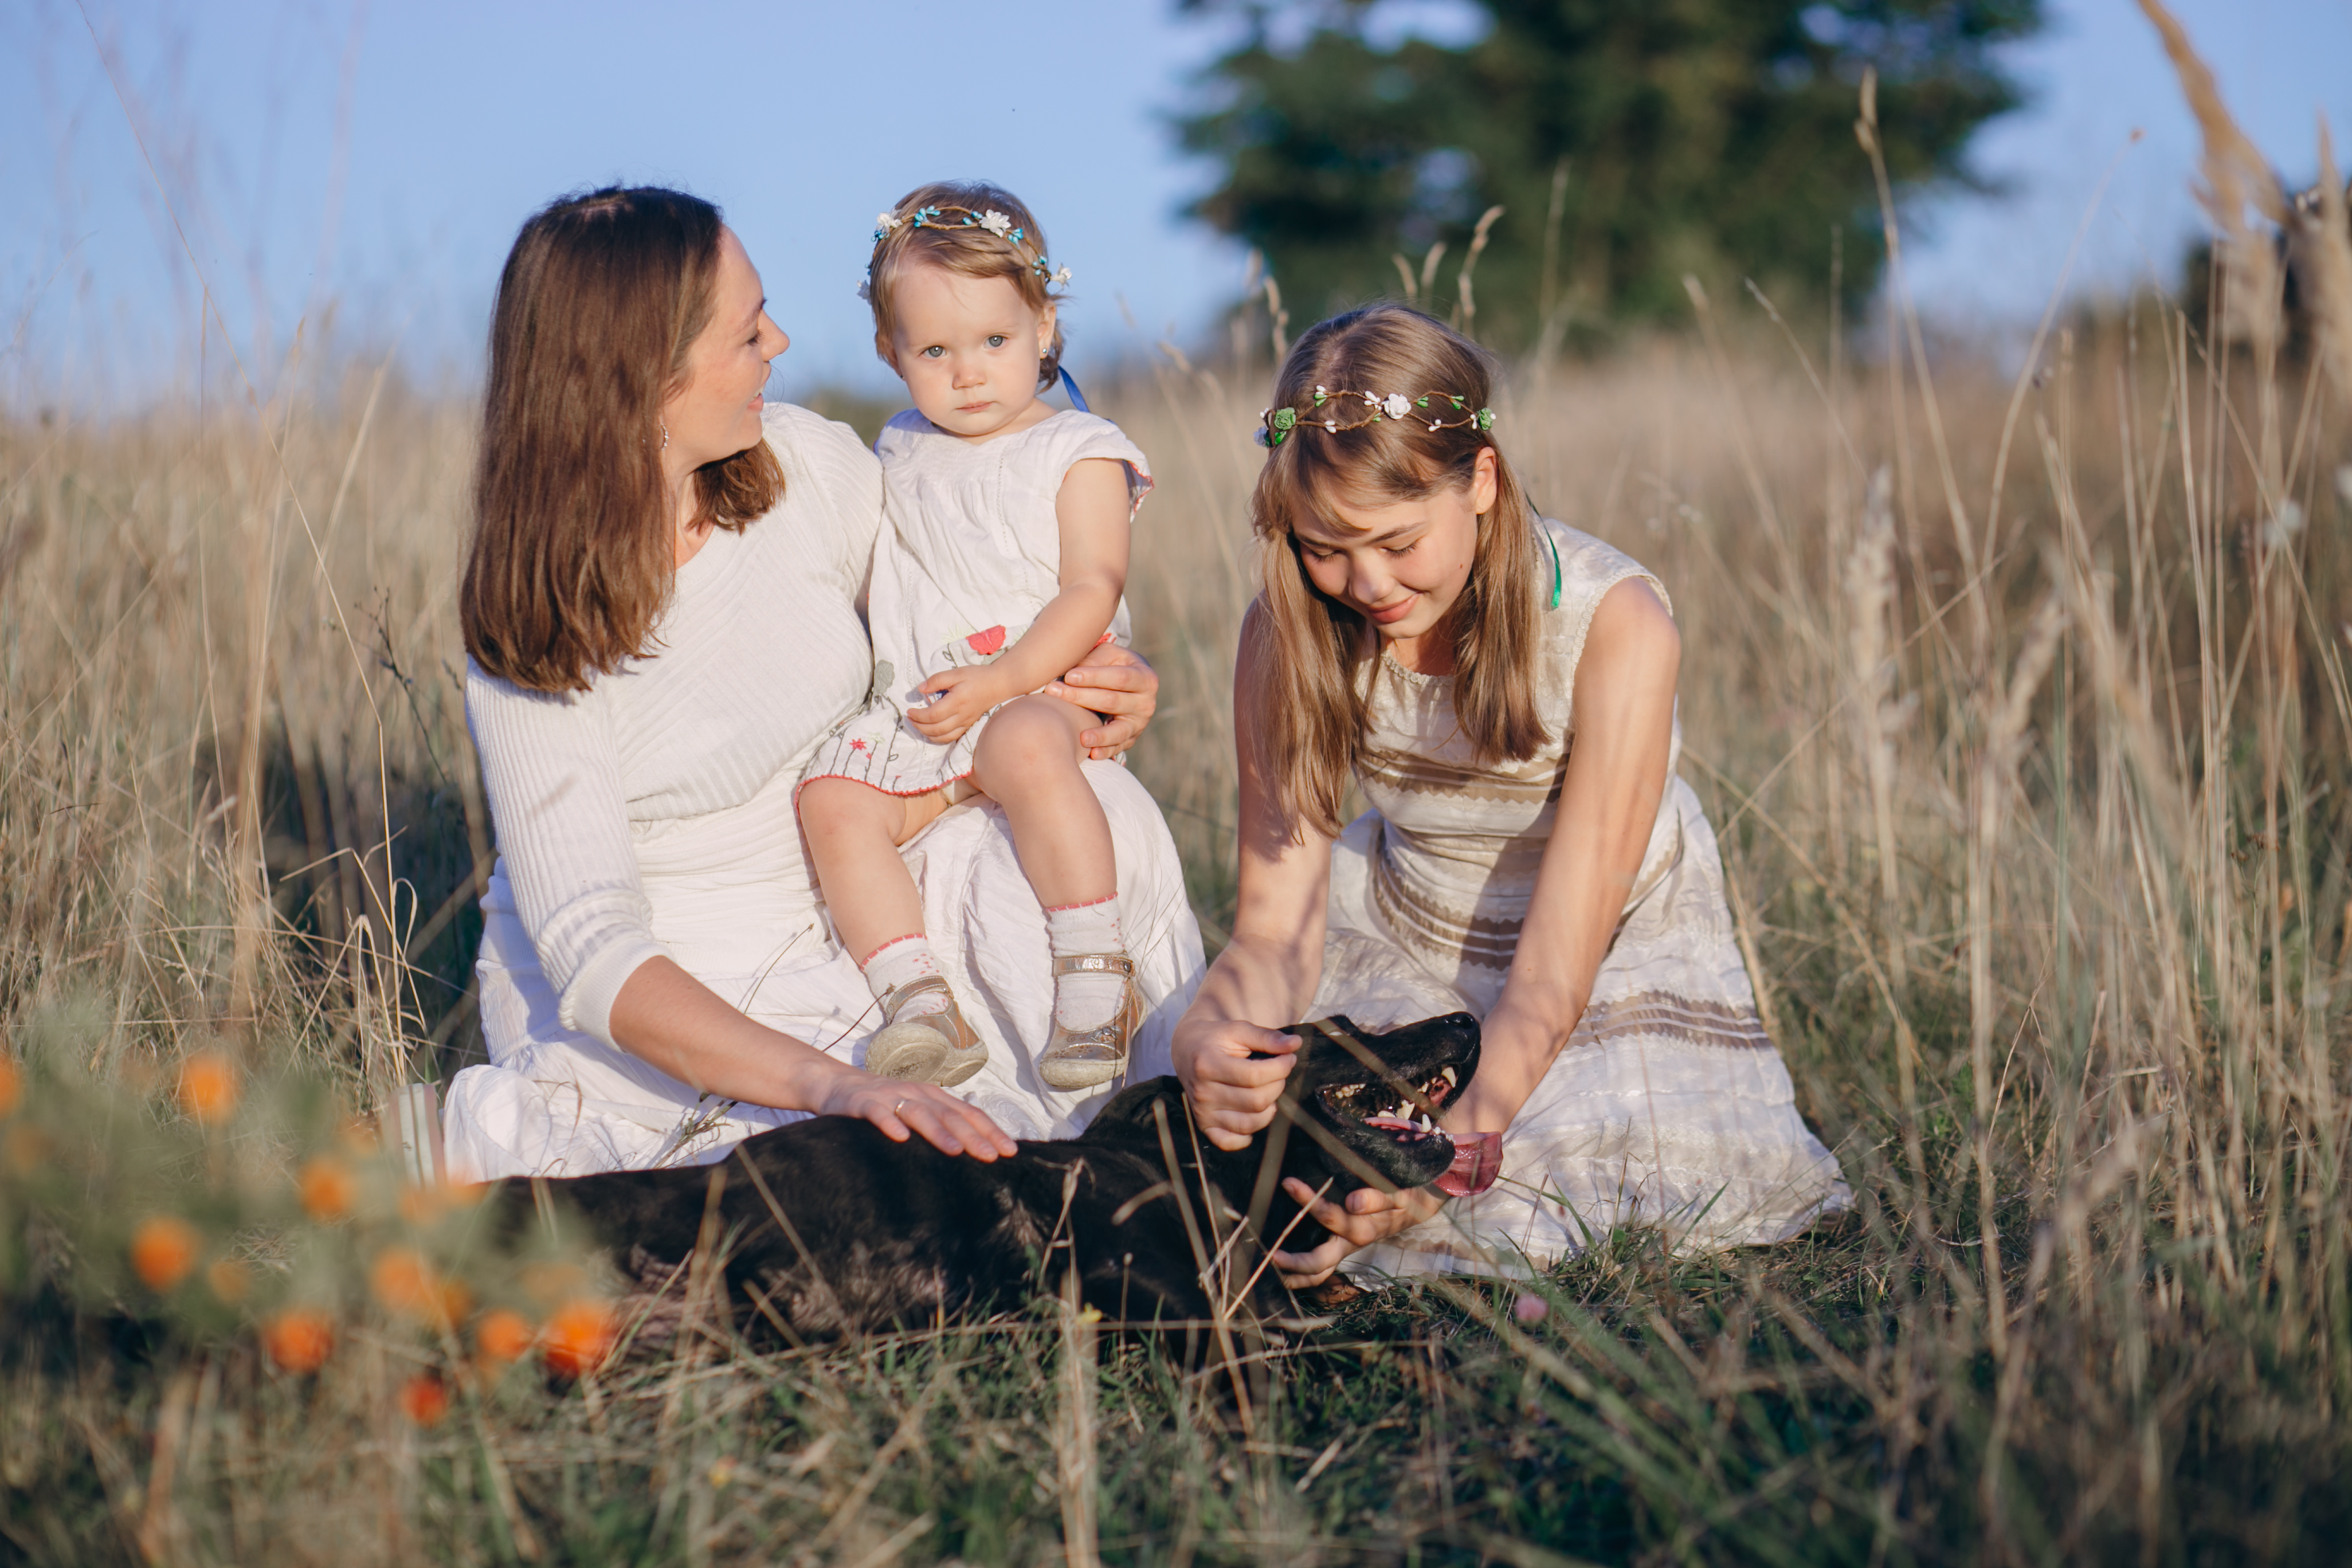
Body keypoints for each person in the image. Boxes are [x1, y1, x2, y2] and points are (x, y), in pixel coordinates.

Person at [439, 187, 1204, 1182]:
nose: (784, 340)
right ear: (647, 373)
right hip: (670, 991)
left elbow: (962, 611)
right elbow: (593, 954)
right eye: (748, 330)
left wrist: (1094, 679)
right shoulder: (535, 620)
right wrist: (832, 1085)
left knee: (1102, 816)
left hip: (858, 909)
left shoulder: (806, 467)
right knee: (866, 1172)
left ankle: (1186, 1114)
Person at [1167, 304, 1848, 1285]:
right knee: (1250, 1144)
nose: (1365, 584)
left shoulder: (1615, 623)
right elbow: (1276, 931)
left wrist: (1444, 1156)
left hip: (1593, 945)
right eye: (1324, 547)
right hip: (1406, 916)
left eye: (1399, 543)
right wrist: (1209, 1035)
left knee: (1550, 1184)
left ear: (1479, 480)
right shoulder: (1289, 630)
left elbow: (1553, 976)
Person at [797, 182, 1153, 1094]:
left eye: (996, 341)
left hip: (1039, 688)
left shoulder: (1080, 450)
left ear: (1045, 324)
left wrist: (1005, 680)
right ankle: (917, 996)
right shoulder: (897, 449)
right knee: (834, 799)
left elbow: (1091, 587)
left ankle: (1094, 971)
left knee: (1025, 743)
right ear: (890, 352)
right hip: (932, 712)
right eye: (935, 350)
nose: (970, 373)